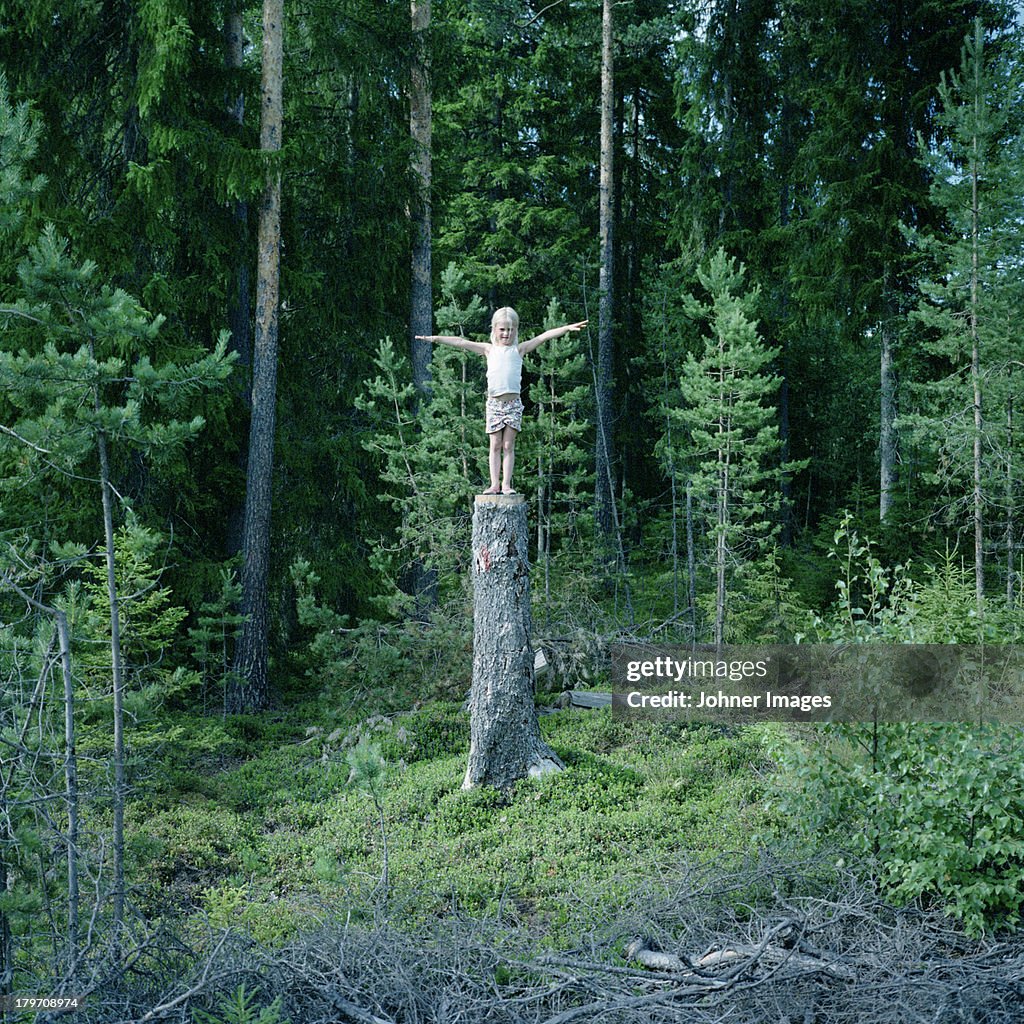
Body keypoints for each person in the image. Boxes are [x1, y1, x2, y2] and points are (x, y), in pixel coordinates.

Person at [416, 308, 588, 495]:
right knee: (495, 445)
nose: (507, 333)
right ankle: (494, 484)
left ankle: (506, 484)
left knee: (508, 446)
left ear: (516, 330)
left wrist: (567, 328)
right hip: (494, 405)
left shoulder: (519, 349)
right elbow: (460, 342)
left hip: (513, 405)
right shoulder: (488, 349)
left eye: (511, 329)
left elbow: (544, 336)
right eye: (503, 329)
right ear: (495, 329)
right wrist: (434, 338)